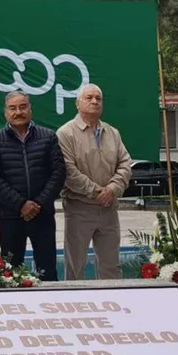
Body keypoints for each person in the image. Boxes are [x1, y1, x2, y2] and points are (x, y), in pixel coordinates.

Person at [0, 91, 66, 281]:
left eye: (23, 107)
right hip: (11, 216)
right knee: (11, 273)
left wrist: (38, 203)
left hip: (42, 215)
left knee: (48, 272)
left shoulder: (48, 137)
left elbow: (58, 173)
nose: (18, 112)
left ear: (30, 109)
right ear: (5, 113)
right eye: (13, 108)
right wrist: (21, 204)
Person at [57, 84, 133, 280]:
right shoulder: (65, 134)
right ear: (77, 103)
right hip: (79, 209)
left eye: (98, 98)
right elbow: (68, 171)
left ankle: (113, 305)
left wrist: (112, 189)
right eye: (89, 97)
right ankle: (76, 308)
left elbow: (125, 163)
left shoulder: (113, 133)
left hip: (108, 209)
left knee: (111, 267)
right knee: (75, 266)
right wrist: (97, 192)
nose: (94, 101)